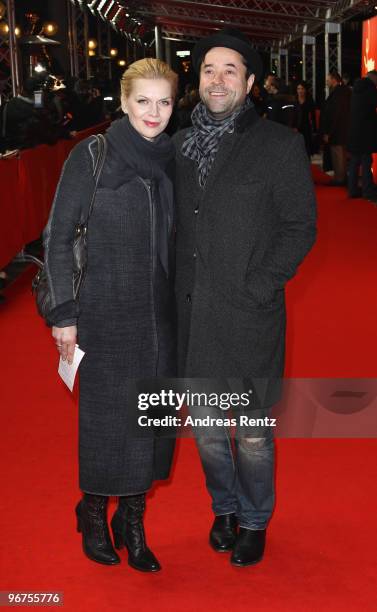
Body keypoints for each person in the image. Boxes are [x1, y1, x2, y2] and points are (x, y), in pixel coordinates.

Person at [173, 28, 316, 567]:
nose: (218, 79)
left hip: (250, 314)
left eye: (231, 70)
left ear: (251, 83)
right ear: (198, 77)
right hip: (194, 315)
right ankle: (225, 509)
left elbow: (300, 226)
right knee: (208, 433)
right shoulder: (179, 145)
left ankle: (256, 520)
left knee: (253, 435)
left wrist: (259, 285)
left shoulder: (278, 144)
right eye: (210, 69)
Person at [42, 58, 178, 572]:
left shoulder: (172, 159)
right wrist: (63, 313)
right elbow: (58, 237)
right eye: (142, 101)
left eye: (164, 101)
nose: (154, 112)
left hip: (161, 317)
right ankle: (96, 513)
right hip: (102, 313)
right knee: (106, 424)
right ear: (122, 102)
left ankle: (134, 521)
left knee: (153, 422)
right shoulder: (91, 156)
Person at [347, 70, 377, 202]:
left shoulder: (356, 90)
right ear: (373, 78)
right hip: (366, 133)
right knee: (366, 162)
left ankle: (352, 190)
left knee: (354, 162)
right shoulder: (370, 89)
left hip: (354, 131)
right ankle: (367, 191)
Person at [320, 70, 352, 185]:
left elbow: (335, 114)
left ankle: (340, 179)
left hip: (337, 131)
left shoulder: (339, 93)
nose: (327, 82)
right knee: (340, 155)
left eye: (328, 80)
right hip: (340, 130)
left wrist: (329, 132)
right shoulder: (343, 91)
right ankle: (340, 177)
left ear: (334, 79)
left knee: (338, 155)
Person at [293, 80, 317, 157]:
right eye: (298, 89)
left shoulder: (310, 100)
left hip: (306, 127)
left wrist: (314, 129)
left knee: (306, 148)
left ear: (305, 90)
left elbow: (313, 116)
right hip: (295, 127)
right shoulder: (294, 100)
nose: (300, 91)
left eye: (302, 88)